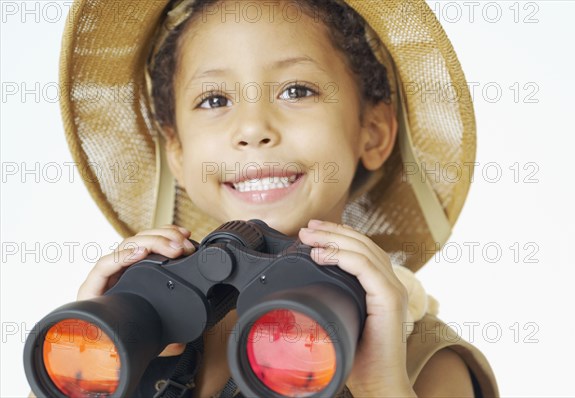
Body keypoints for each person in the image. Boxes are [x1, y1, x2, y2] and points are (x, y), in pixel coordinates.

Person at [32, 0, 499, 397]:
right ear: (176, 152)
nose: (253, 129)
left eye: (297, 90)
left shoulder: (423, 360)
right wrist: (106, 364)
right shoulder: (147, 335)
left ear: (372, 132)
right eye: (214, 100)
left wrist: (381, 384)